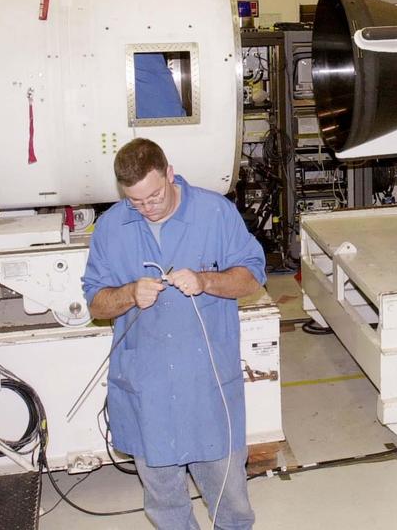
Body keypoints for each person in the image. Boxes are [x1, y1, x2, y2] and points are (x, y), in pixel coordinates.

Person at [83, 138, 265, 529]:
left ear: (169, 173)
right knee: (165, 505)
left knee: (230, 503)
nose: (147, 208)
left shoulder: (215, 213)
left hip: (207, 386)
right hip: (147, 389)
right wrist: (130, 293)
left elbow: (251, 278)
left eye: (154, 196)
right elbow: (96, 305)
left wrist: (205, 281)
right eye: (136, 202)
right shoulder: (112, 227)